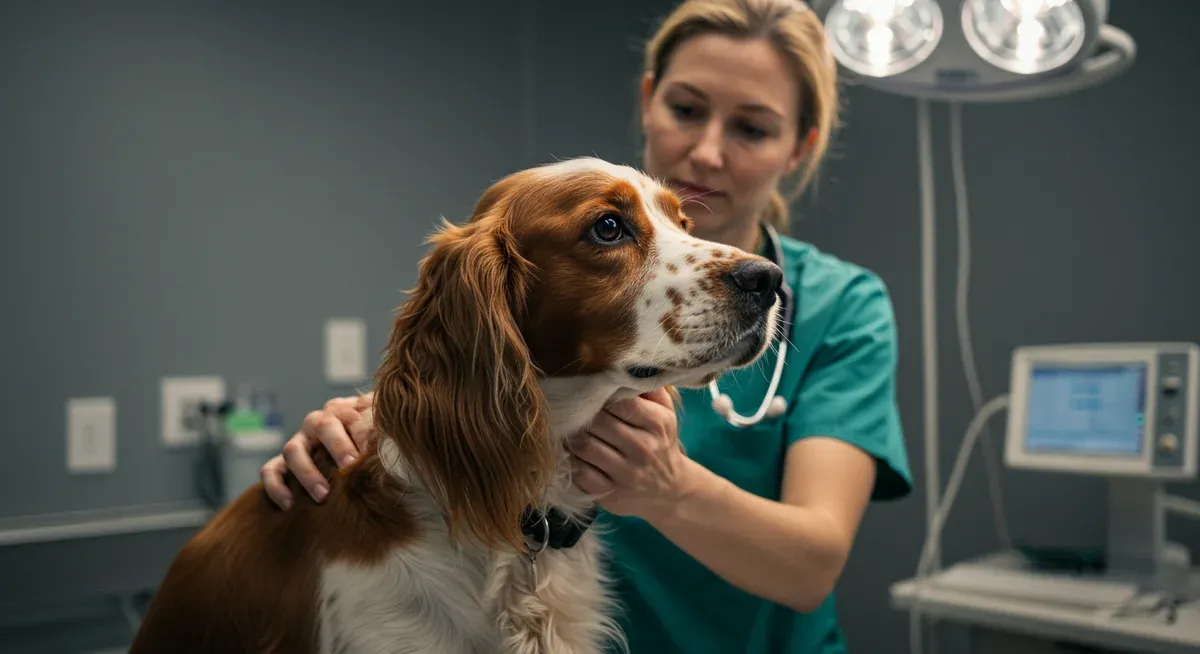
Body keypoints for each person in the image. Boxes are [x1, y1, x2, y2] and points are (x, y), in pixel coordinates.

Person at [260, 0, 912, 651]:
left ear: (800, 146)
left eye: (751, 128)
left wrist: (668, 487)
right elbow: (482, 386)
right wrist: (369, 437)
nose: (707, 152)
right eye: (686, 110)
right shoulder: (530, 269)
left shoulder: (844, 305)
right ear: (649, 100)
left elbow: (812, 567)